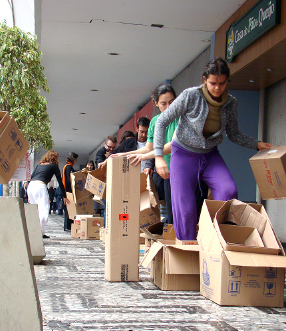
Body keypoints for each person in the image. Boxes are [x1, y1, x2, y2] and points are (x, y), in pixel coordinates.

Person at [153, 57, 272, 240]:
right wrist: (159, 156)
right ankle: (188, 249)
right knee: (185, 209)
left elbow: (233, 133)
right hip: (183, 154)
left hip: (209, 155)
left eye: (222, 83)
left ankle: (215, 239)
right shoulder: (190, 96)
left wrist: (256, 144)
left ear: (227, 82)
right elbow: (162, 121)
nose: (217, 88)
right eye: (213, 83)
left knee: (228, 190)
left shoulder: (230, 103)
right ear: (204, 79)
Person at [27, 151, 68, 238]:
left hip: (31, 186)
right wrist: (64, 195)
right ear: (55, 158)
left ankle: (39, 232)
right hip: (40, 186)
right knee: (44, 210)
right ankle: (38, 232)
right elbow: (60, 181)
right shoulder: (53, 166)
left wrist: (28, 194)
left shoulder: (39, 165)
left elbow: (31, 177)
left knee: (35, 211)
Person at [62, 152, 78, 231]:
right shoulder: (69, 167)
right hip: (68, 191)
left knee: (68, 209)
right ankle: (68, 226)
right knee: (69, 209)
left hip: (66, 191)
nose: (76, 161)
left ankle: (67, 226)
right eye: (75, 159)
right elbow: (69, 180)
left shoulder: (66, 166)